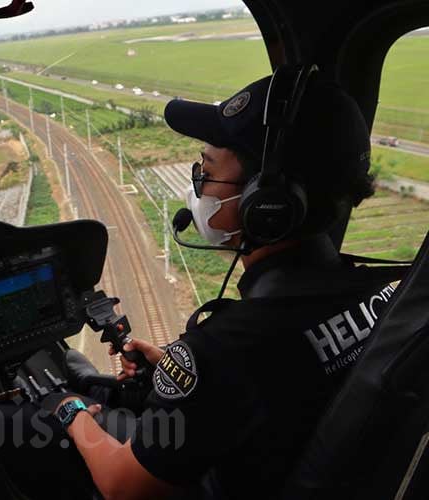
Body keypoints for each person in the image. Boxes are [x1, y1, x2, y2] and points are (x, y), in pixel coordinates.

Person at [44, 71, 408, 500]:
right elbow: (287, 382)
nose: (198, 183)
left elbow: (123, 486)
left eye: (208, 169)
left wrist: (72, 413)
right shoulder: (386, 292)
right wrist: (183, 375)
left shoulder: (227, 347)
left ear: (268, 201)